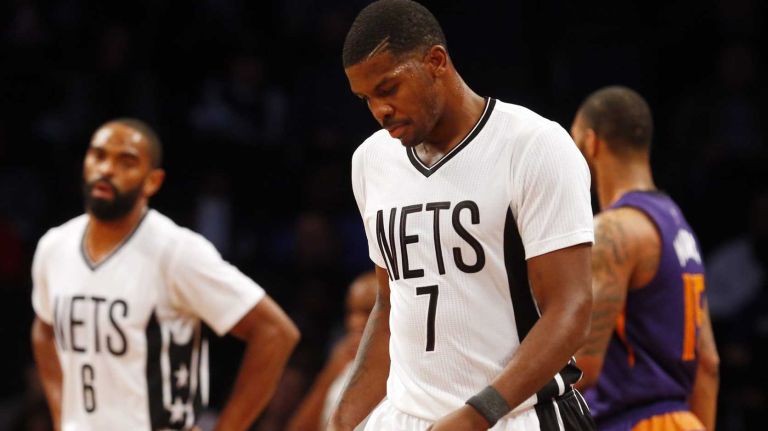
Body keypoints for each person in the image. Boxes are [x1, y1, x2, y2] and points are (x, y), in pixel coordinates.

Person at [330, 1, 596, 430]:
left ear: (435, 61)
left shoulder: (534, 145)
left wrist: (478, 415)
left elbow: (571, 309)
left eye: (389, 89)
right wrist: (344, 420)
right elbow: (391, 302)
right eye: (366, 99)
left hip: (515, 415)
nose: (379, 111)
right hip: (406, 416)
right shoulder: (370, 161)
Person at [30, 119, 300, 430]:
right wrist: (62, 415)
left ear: (152, 182)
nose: (106, 169)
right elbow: (44, 329)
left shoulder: (176, 251)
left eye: (126, 162)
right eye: (98, 155)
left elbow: (276, 333)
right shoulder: (54, 246)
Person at [570, 86, 720, 430]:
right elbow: (708, 362)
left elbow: (582, 369)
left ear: (590, 143)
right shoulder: (678, 226)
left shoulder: (613, 231)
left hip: (633, 422)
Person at [287, 271, 378, 431]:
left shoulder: (406, 365)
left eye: (367, 311)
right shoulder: (343, 356)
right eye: (351, 312)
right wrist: (332, 371)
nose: (354, 322)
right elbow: (300, 427)